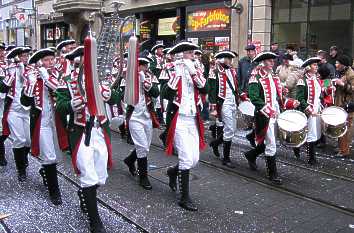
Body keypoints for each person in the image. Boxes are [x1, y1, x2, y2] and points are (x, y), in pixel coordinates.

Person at [55, 46, 122, 233]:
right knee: (89, 176)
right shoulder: (67, 80)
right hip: (81, 132)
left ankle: (85, 195)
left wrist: (111, 96)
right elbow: (60, 106)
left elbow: (116, 97)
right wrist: (70, 104)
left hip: (100, 131)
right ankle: (95, 221)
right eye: (82, 60)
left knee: (100, 176)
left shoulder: (100, 77)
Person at [161, 41, 207, 211]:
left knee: (194, 159)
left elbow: (204, 89)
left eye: (193, 53)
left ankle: (173, 172)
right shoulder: (171, 68)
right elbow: (165, 93)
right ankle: (184, 197)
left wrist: (193, 72)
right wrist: (178, 74)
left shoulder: (196, 68)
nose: (192, 56)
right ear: (181, 55)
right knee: (186, 158)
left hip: (192, 118)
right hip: (178, 118)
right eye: (189, 53)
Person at [244, 52, 299, 185]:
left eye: (273, 61)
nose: (272, 63)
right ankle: (272, 174)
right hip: (264, 116)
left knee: (270, 140)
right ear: (262, 63)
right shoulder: (255, 77)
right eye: (269, 61)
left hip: (276, 113)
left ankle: (251, 155)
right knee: (271, 144)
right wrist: (268, 111)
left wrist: (290, 102)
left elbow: (277, 99)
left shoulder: (274, 76)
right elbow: (254, 97)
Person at [21, 48, 63, 205]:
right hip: (42, 122)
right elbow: (25, 102)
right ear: (40, 62)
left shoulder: (57, 75)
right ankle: (54, 192)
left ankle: (45, 171)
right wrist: (30, 85)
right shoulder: (33, 77)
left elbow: (57, 88)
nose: (50, 63)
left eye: (52, 60)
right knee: (50, 156)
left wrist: (47, 76)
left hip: (57, 122)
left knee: (57, 155)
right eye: (46, 60)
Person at [123, 56, 160, 190]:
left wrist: (148, 85)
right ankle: (143, 176)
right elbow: (123, 96)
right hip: (134, 117)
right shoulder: (128, 77)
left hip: (147, 116)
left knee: (146, 146)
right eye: (141, 65)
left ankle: (129, 160)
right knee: (142, 146)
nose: (143, 68)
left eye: (145, 65)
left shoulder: (149, 76)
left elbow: (156, 93)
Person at [208, 50, 246, 168]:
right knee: (229, 128)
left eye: (231, 58)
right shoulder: (214, 71)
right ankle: (226, 158)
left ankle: (215, 143)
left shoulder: (232, 71)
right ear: (222, 59)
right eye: (228, 58)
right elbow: (212, 90)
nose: (230, 61)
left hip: (233, 102)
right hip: (223, 103)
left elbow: (236, 87)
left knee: (232, 129)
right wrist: (213, 107)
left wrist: (242, 95)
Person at [0, 47, 32, 181]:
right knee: (19, 139)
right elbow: (2, 89)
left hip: (27, 109)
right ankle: (21, 169)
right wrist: (10, 74)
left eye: (26, 56)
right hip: (13, 108)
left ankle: (23, 158)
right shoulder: (9, 69)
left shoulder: (32, 70)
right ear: (17, 57)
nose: (25, 58)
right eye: (22, 56)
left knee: (29, 140)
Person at [295, 57, 335, 164]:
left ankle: (298, 147)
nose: (316, 66)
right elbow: (299, 98)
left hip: (317, 108)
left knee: (316, 132)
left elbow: (322, 90)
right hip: (308, 110)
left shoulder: (316, 79)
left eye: (317, 65)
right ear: (308, 67)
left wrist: (330, 88)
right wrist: (308, 108)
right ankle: (311, 158)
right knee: (311, 133)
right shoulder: (302, 80)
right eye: (314, 65)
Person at [334, 55, 354, 157]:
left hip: (347, 105)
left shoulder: (351, 74)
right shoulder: (341, 72)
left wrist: (342, 84)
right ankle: (341, 147)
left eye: (338, 63)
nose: (335, 64)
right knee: (340, 127)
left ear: (343, 65)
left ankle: (344, 150)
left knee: (345, 128)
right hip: (340, 104)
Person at [0, 43, 7, 166]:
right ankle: (1, 155)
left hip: (7, 102)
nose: (1, 54)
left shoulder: (8, 65)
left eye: (2, 51)